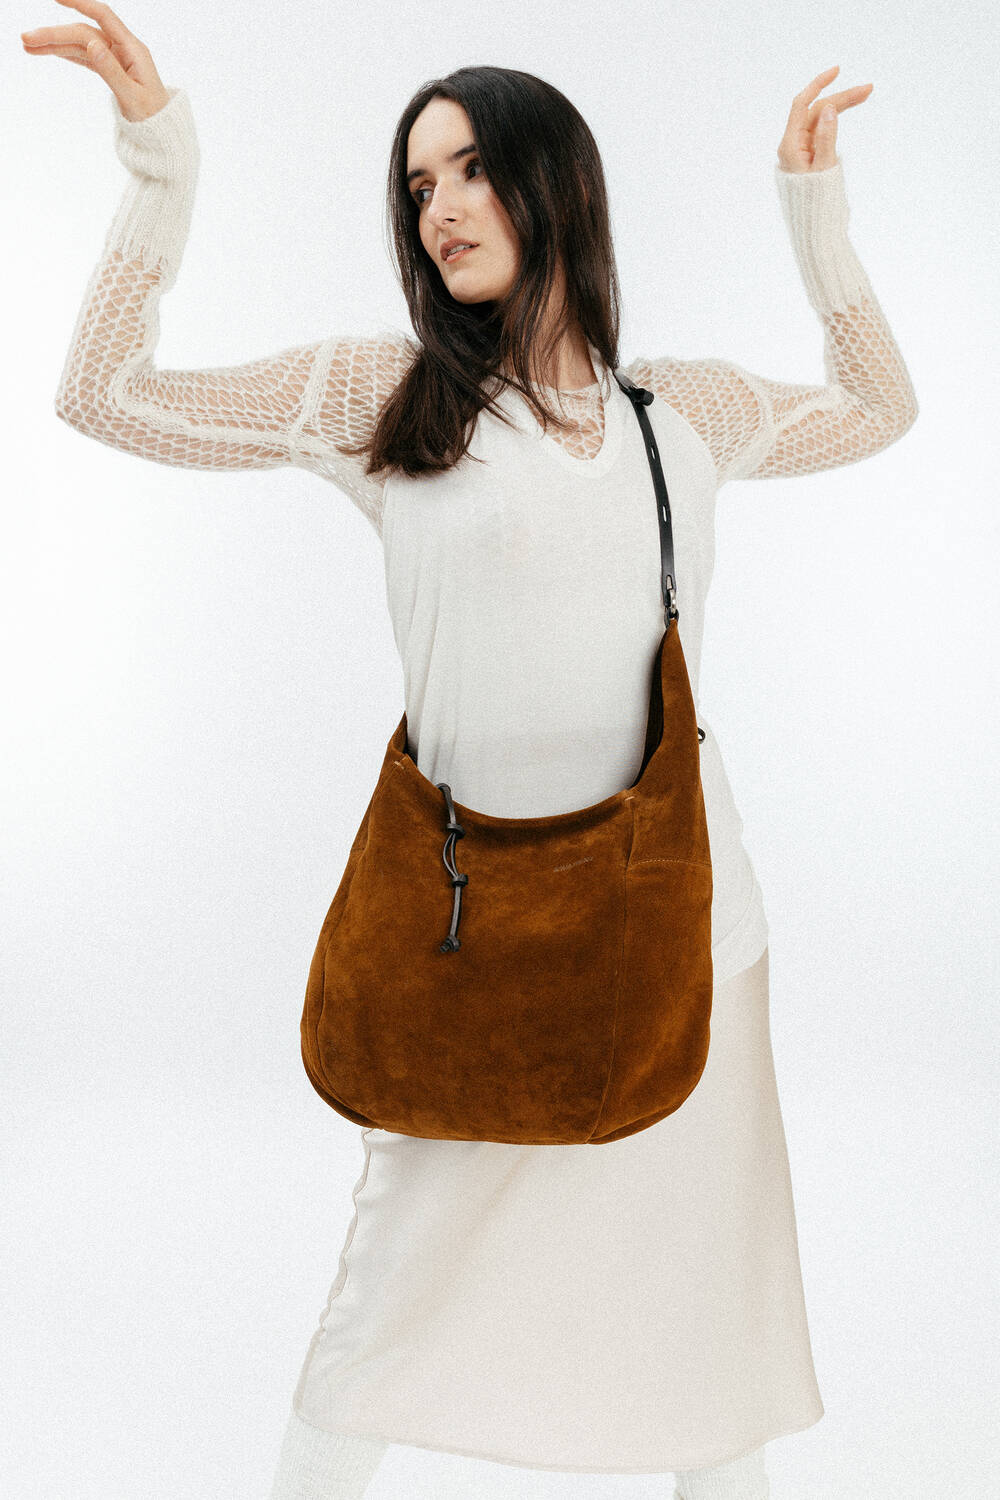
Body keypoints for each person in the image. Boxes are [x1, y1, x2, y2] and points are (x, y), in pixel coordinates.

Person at [23, 5, 918, 1497]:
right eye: (415, 186)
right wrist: (158, 165)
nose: (435, 207)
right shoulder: (389, 399)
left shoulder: (675, 413)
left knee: (705, 1323)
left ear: (550, 178)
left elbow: (881, 406)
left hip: (682, 925)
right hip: (469, 938)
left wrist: (815, 216)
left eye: (465, 170)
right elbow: (102, 393)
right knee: (380, 1312)